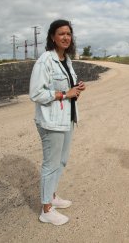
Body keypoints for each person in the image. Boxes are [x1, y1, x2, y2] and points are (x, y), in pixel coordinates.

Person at [29, 19, 86, 225]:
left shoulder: (66, 60)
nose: (66, 37)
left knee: (61, 161)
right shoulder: (45, 60)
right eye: (61, 33)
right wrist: (64, 94)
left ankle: (52, 196)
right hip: (50, 121)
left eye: (68, 34)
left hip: (66, 119)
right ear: (52, 37)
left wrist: (77, 89)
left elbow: (69, 90)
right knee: (50, 164)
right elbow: (36, 93)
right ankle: (46, 210)